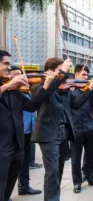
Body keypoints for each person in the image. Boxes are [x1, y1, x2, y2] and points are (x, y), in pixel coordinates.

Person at [31, 57, 93, 201]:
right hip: (47, 134)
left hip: (63, 133)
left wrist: (90, 89)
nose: (65, 78)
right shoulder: (41, 87)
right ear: (50, 71)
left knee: (58, 170)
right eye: (60, 71)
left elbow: (77, 104)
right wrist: (61, 74)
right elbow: (39, 99)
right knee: (52, 171)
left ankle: (54, 197)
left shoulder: (65, 91)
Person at [0, 51, 50, 201]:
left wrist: (46, 85)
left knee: (9, 184)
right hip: (1, 146)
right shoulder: (8, 86)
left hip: (16, 145)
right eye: (6, 63)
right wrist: (9, 84)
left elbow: (31, 106)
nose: (9, 68)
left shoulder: (14, 90)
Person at [6, 67, 42, 196]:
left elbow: (33, 107)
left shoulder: (25, 91)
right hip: (16, 132)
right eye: (15, 75)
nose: (20, 78)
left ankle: (24, 185)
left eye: (21, 75)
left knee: (24, 161)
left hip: (27, 130)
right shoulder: (9, 91)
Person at [70, 65, 93, 193]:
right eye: (83, 75)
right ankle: (77, 182)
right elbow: (77, 104)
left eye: (87, 75)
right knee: (76, 157)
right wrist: (89, 89)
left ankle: (91, 177)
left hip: (90, 126)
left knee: (91, 155)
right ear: (75, 76)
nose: (86, 78)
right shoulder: (71, 91)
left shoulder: (90, 90)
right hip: (76, 127)